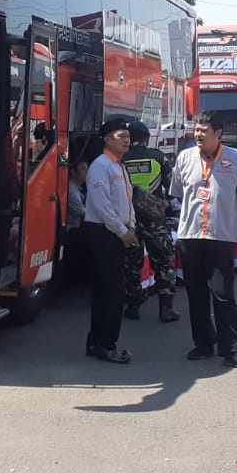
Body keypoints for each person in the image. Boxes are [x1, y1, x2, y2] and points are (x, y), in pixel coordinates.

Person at [171, 112, 237, 371]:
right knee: (195, 294)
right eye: (196, 130)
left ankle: (232, 350)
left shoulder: (235, 158)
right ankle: (203, 343)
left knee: (223, 295)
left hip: (221, 236)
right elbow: (178, 193)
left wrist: (230, 216)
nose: (198, 134)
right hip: (190, 236)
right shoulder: (185, 158)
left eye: (204, 130)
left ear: (218, 134)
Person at [83, 118, 138, 364]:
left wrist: (132, 226)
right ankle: (107, 344)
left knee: (107, 290)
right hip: (104, 233)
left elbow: (128, 200)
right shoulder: (101, 165)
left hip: (117, 231)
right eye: (120, 136)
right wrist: (121, 231)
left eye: (127, 136)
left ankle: (96, 342)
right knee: (113, 292)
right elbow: (101, 204)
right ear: (107, 140)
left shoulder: (120, 166)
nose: (126, 140)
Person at [122, 121, 179, 323]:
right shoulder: (159, 157)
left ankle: (133, 307)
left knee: (131, 264)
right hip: (155, 220)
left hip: (129, 220)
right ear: (146, 138)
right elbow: (172, 189)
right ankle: (166, 309)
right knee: (165, 263)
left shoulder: (121, 159)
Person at [60, 157, 91, 287]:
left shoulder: (81, 188)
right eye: (83, 169)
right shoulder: (71, 190)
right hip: (72, 230)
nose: (87, 172)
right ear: (73, 172)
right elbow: (81, 212)